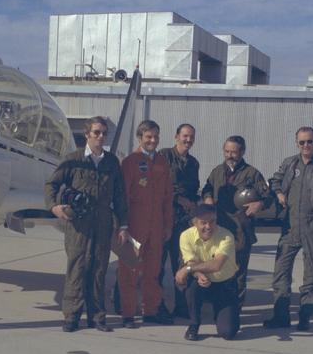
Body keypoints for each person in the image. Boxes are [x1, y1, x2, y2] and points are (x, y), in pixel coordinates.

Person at [45, 116, 130, 332]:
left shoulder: (111, 163)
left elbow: (120, 196)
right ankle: (71, 316)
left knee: (99, 269)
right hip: (78, 224)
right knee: (77, 268)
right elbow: (52, 184)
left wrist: (123, 225)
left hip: (102, 222)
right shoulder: (73, 160)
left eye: (104, 133)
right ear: (87, 135)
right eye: (96, 133)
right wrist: (54, 206)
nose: (101, 137)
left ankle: (97, 317)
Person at [264, 126, 313, 332]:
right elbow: (274, 181)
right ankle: (281, 316)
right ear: (296, 143)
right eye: (302, 142)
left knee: (312, 274)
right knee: (280, 273)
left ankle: (305, 316)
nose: (306, 146)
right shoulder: (290, 163)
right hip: (290, 225)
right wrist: (279, 192)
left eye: (309, 142)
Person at [201, 135, 270, 308]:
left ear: (242, 152)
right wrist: (208, 197)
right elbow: (207, 187)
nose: (230, 155)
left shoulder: (252, 174)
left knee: (238, 270)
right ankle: (216, 303)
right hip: (218, 228)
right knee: (215, 265)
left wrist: (259, 204)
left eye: (234, 152)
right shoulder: (217, 171)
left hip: (241, 229)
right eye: (227, 151)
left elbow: (268, 196)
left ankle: (235, 306)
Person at [117, 120, 174, 328]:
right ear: (140, 138)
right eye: (149, 137)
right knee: (129, 271)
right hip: (134, 225)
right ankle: (128, 314)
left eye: (156, 137)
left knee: (153, 271)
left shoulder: (162, 162)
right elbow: (122, 197)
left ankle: (150, 311)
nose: (153, 140)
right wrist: (122, 226)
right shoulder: (130, 162)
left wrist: (168, 225)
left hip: (156, 227)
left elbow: (168, 197)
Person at [176, 204, 240, 341]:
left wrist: (186, 270)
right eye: (203, 223)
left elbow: (217, 265)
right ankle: (194, 324)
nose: (208, 226)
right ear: (195, 223)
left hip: (225, 284)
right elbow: (190, 261)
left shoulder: (226, 236)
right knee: (192, 287)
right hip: (203, 283)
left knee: (228, 333)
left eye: (212, 221)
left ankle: (220, 314)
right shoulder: (186, 236)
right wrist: (198, 275)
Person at [158, 122, 200, 319]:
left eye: (191, 137)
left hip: (183, 223)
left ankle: (182, 307)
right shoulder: (164, 156)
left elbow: (194, 190)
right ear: (176, 137)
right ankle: (157, 306)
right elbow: (158, 184)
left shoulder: (193, 164)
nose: (188, 140)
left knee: (181, 265)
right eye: (185, 136)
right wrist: (177, 198)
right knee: (157, 265)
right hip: (163, 218)